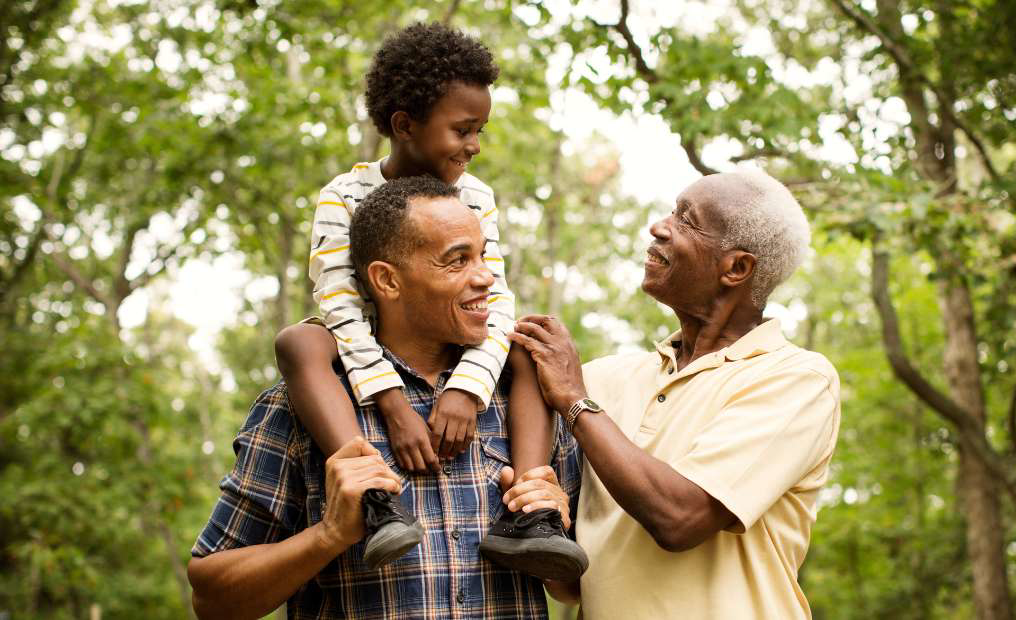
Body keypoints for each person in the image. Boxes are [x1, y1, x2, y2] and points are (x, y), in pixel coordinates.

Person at [188, 176, 581, 619]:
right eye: (457, 261)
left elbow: (571, 588)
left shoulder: (528, 400)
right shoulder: (301, 405)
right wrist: (329, 535)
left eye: (483, 257)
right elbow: (211, 599)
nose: (486, 278)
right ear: (387, 281)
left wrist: (558, 518)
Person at [272, 22, 585, 576]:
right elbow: (340, 304)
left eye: (480, 129)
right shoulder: (344, 196)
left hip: (456, 345)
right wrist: (391, 403)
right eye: (463, 129)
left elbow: (495, 298)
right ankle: (373, 500)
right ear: (404, 125)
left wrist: (467, 389)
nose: (474, 145)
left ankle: (529, 513)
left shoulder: (475, 195)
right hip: (367, 346)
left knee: (527, 342)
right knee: (300, 341)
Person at [511, 169, 842, 619]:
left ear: (737, 268)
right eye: (672, 210)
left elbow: (680, 519)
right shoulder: (605, 379)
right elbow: (570, 584)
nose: (660, 226)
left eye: (687, 220)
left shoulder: (797, 380)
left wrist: (573, 399)